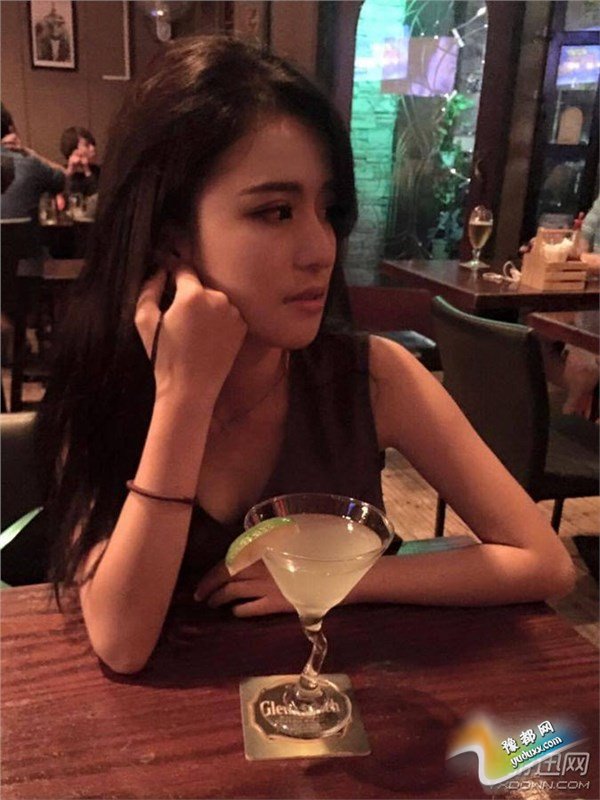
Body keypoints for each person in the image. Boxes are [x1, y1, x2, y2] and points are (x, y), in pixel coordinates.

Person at [38, 36, 575, 675]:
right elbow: (122, 643)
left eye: (328, 210)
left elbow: (544, 562)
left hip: (343, 708)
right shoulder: (106, 376)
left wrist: (336, 575)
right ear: (172, 235)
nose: (321, 249)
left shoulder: (373, 376)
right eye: (275, 211)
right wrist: (184, 396)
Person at [1, 104, 65, 221]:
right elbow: (65, 176)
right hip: (26, 233)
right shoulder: (30, 163)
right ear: (11, 130)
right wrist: (29, 153)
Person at [59, 126, 100, 198]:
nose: (93, 148)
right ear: (74, 150)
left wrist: (87, 171)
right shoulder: (60, 172)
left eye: (93, 144)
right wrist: (69, 173)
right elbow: (60, 199)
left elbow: (98, 197)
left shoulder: (98, 171)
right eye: (87, 145)